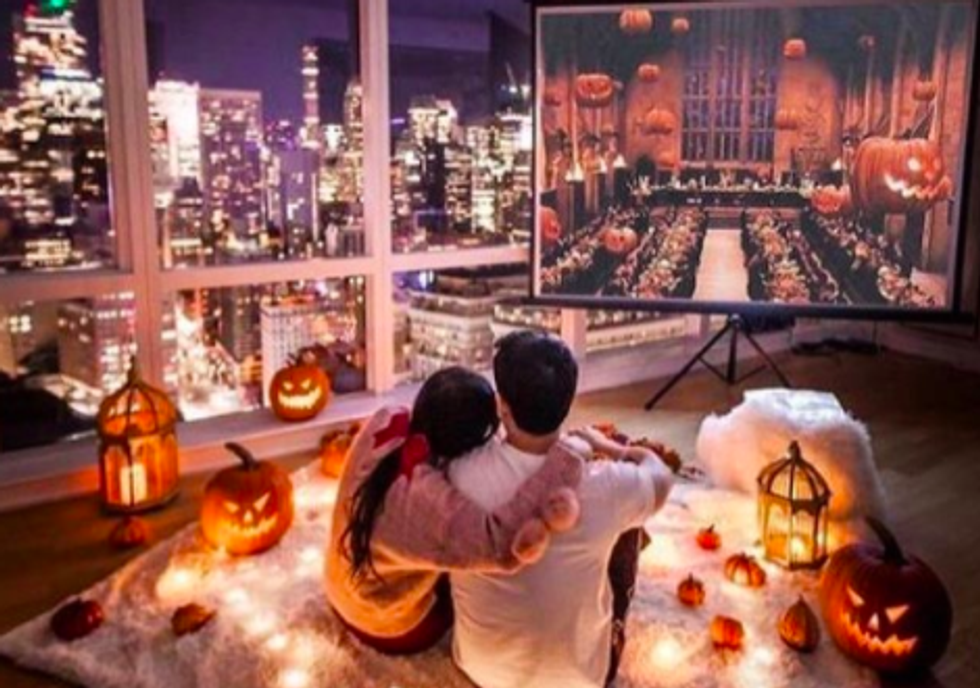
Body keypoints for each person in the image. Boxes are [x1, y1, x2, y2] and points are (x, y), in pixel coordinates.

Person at [448, 332, 674, 688]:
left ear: (501, 406)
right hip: (581, 679)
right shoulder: (607, 485)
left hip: (478, 668)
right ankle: (609, 628)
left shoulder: (460, 472)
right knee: (630, 518)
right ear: (568, 404)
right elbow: (662, 477)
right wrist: (610, 447)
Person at [325, 366, 583, 656]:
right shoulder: (433, 506)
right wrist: (561, 462)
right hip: (386, 624)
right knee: (481, 576)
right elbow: (503, 550)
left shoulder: (387, 417)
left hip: (339, 586)